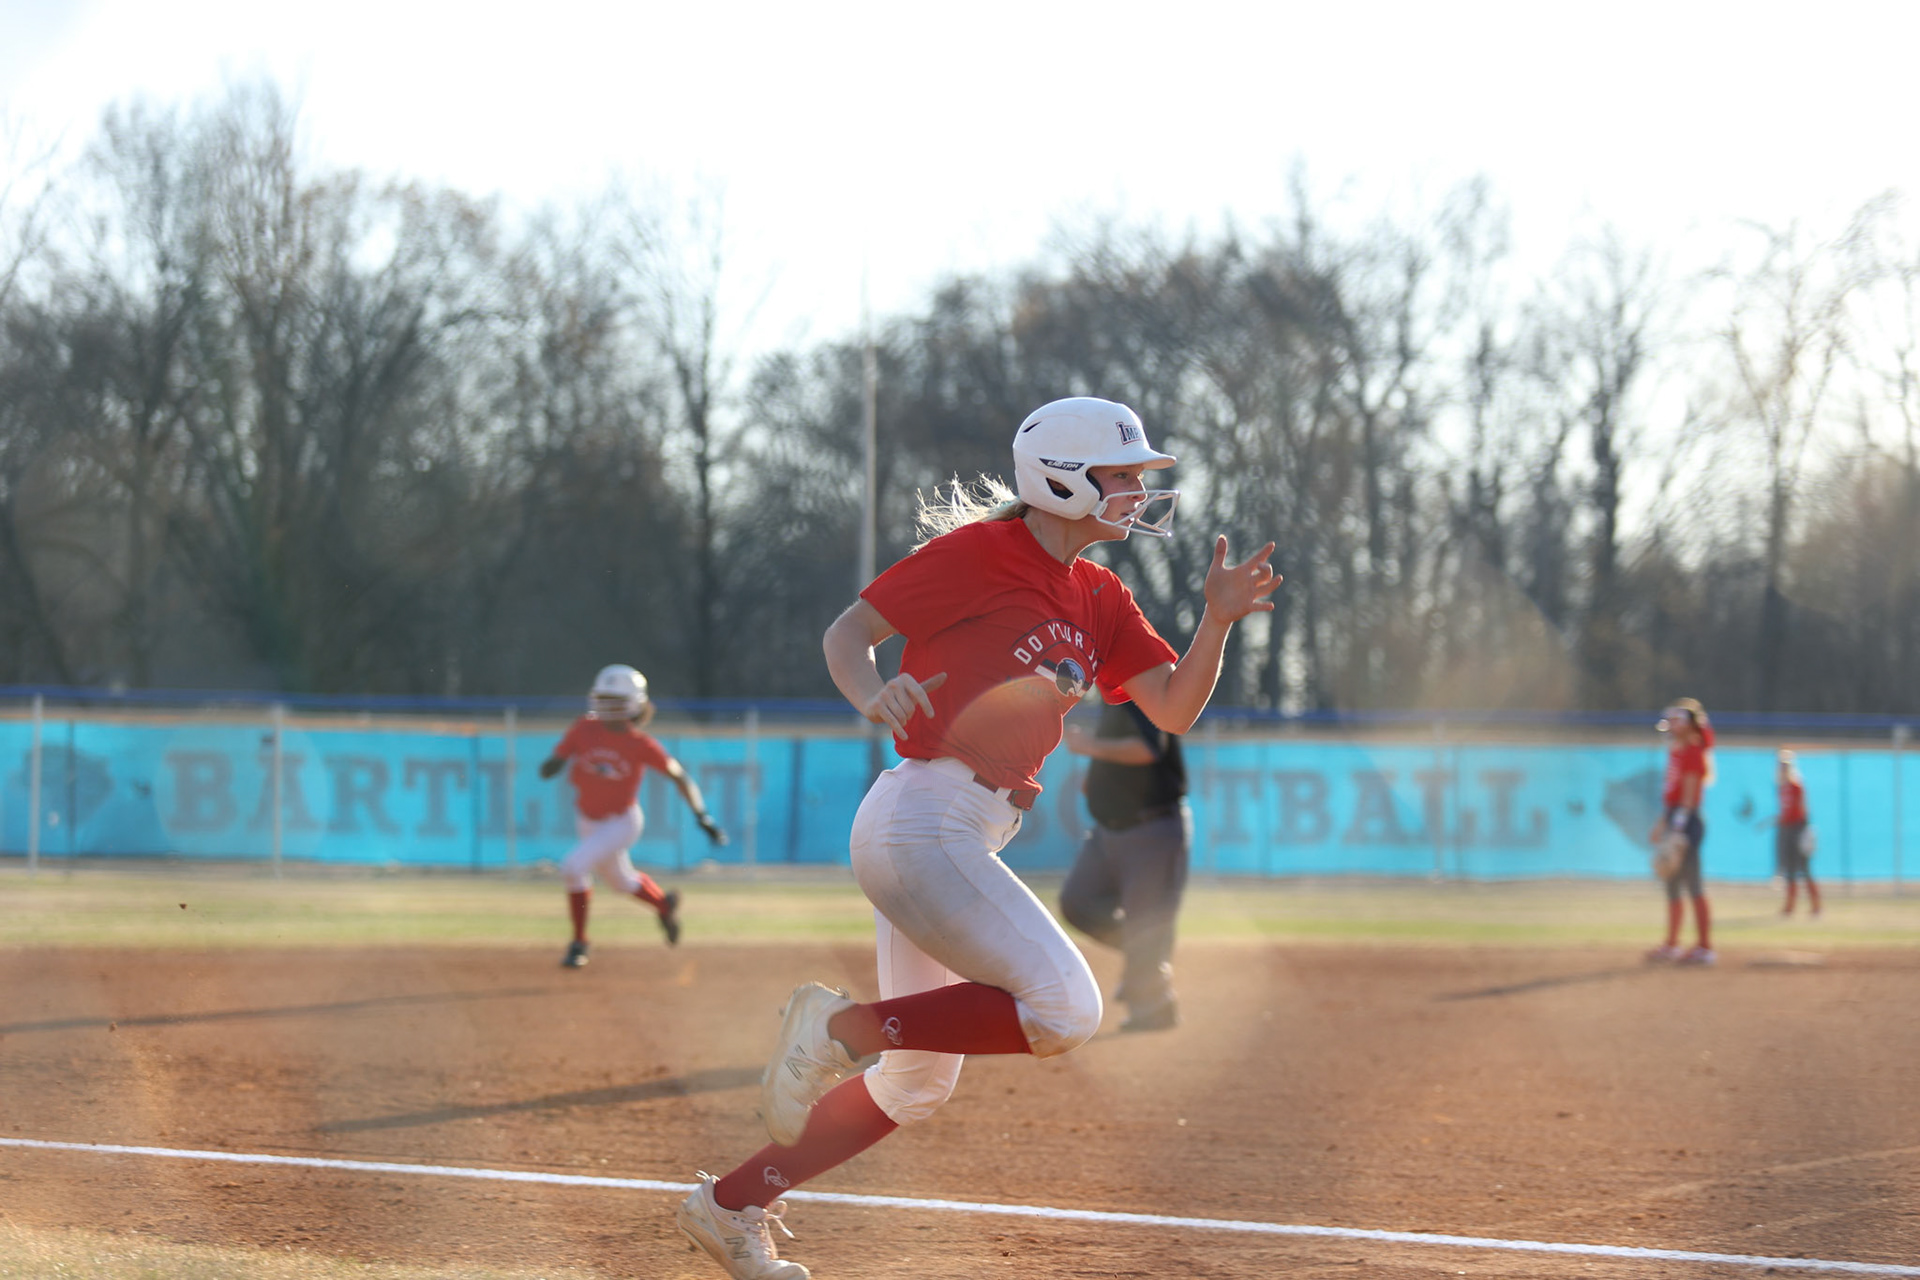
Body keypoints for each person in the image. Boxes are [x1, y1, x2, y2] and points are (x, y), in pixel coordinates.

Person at [674, 396, 1280, 1279]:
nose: (1136, 492)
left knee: (918, 1080)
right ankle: (837, 1027)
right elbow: (850, 635)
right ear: (1061, 477)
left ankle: (731, 1205)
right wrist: (869, 694)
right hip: (925, 817)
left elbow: (1175, 709)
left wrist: (1217, 621)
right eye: (1121, 476)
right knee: (1068, 1010)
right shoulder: (981, 554)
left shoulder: (1101, 595)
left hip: (956, 832)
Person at [538, 664, 726, 967]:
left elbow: (680, 777)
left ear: (634, 705)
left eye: (617, 701)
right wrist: (554, 763)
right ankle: (664, 905)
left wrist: (702, 815)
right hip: (588, 820)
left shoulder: (640, 744)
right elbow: (559, 756)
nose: (609, 707)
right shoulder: (583, 728)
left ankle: (579, 943)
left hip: (621, 822)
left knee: (573, 867)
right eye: (605, 699)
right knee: (621, 882)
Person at [1058, 688, 1190, 1033]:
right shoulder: (1116, 694)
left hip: (1151, 829)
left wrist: (1090, 747)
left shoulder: (1144, 690)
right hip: (1108, 830)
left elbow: (1147, 749)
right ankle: (1145, 962)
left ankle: (1154, 1007)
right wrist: (1099, 774)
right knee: (1078, 903)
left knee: (1146, 922)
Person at [1645, 697, 1715, 965]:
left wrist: (1677, 830)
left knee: (1693, 884)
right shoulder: (1677, 752)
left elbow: (1689, 797)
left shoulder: (1693, 751)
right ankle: (1672, 944)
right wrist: (1662, 824)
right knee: (1672, 884)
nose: (1671, 726)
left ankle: (1706, 947)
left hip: (1688, 821)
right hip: (1676, 817)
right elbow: (1672, 797)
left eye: (1676, 721)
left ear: (1688, 725)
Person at [1768, 747, 1821, 917]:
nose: (1783, 768)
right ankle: (1790, 906)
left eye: (1786, 765)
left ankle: (1816, 906)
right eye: (1781, 765)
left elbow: (1801, 810)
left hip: (1798, 829)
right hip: (1786, 830)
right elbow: (1785, 811)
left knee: (1804, 869)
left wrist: (1803, 831)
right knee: (1789, 870)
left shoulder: (1796, 786)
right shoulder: (1781, 787)